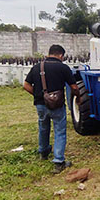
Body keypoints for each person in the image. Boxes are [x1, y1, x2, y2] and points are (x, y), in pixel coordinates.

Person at [23, 44, 79, 174]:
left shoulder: (37, 67)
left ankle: (43, 152)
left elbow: (26, 85)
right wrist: (79, 98)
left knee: (43, 127)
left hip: (40, 105)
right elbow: (74, 87)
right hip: (57, 104)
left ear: (49, 53)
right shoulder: (62, 67)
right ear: (60, 55)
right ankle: (59, 161)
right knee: (59, 131)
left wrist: (39, 95)